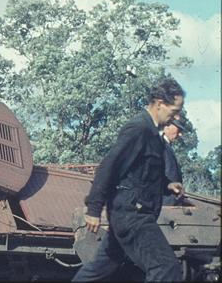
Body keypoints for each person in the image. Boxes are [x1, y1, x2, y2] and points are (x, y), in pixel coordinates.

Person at [72, 79, 186, 281]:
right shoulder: (139, 128)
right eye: (174, 110)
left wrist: (167, 185)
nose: (176, 117)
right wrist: (94, 209)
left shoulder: (154, 135)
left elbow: (141, 174)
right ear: (160, 103)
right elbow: (109, 166)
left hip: (130, 213)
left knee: (99, 269)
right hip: (133, 215)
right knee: (166, 268)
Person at [161, 119, 184, 206]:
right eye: (178, 130)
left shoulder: (168, 147)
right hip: (164, 201)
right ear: (167, 126)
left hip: (172, 201)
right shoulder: (159, 145)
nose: (180, 134)